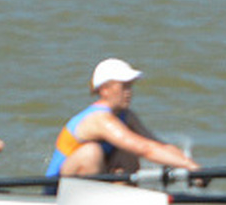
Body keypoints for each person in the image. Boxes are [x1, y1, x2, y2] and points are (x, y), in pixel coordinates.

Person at [43, 58, 200, 182]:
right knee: (92, 152)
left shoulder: (127, 116)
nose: (129, 92)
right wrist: (188, 166)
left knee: (126, 152)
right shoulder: (98, 119)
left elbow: (158, 145)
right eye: (123, 86)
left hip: (95, 182)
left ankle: (123, 194)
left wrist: (191, 166)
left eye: (130, 86)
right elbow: (144, 149)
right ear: (104, 90)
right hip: (58, 189)